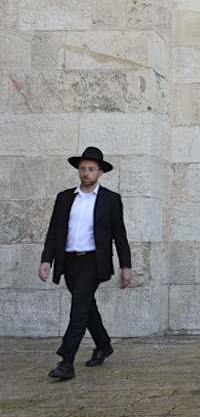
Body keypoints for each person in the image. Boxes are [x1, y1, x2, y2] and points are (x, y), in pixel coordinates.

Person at [39, 147, 133, 380]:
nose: (86, 173)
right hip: (69, 262)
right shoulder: (64, 198)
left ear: (100, 172)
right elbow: (54, 231)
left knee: (78, 309)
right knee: (86, 307)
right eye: (82, 169)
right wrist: (46, 260)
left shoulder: (111, 200)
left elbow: (119, 235)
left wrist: (126, 266)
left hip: (93, 261)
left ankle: (66, 361)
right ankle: (103, 345)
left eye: (91, 169)